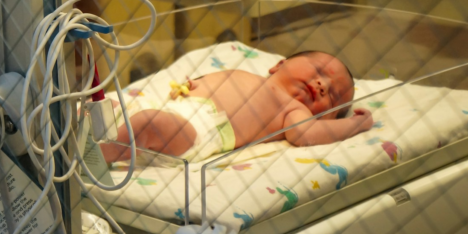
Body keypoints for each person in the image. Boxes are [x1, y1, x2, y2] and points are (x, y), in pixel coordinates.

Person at [100, 51, 373, 164]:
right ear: (278, 65)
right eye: (319, 70)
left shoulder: (292, 108)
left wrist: (355, 124)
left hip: (201, 130)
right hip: (171, 107)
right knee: (106, 105)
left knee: (147, 123)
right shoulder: (252, 78)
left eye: (334, 97)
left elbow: (305, 133)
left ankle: (95, 157)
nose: (322, 85)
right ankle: (72, 131)